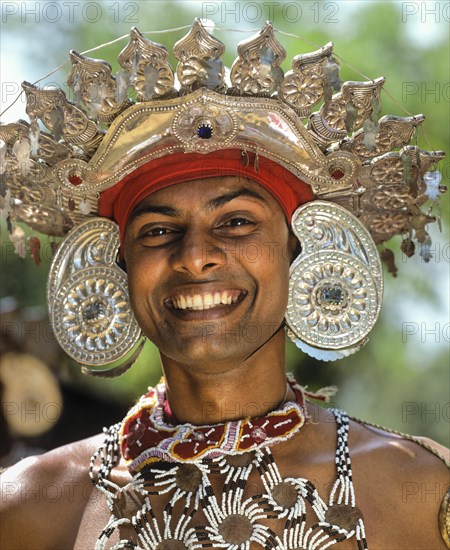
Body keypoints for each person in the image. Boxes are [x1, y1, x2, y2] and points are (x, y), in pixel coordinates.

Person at [0, 20, 448, 550]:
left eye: (236, 222)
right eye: (158, 231)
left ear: (300, 249)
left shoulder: (417, 491)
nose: (194, 257)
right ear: (118, 264)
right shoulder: (31, 508)